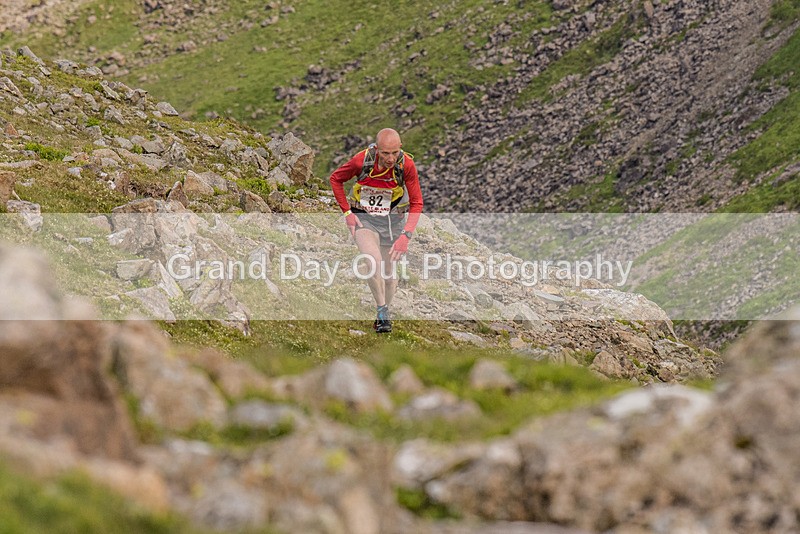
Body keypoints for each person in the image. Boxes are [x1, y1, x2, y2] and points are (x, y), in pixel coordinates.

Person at [329, 128, 423, 333]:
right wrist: (347, 213)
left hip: (392, 221)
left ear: (401, 148)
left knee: (389, 276)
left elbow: (417, 202)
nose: (390, 158)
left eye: (395, 153)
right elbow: (336, 179)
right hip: (365, 218)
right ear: (376, 149)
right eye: (385, 153)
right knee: (372, 261)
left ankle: (385, 309)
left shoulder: (406, 165)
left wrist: (406, 236)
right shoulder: (361, 161)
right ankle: (381, 313)